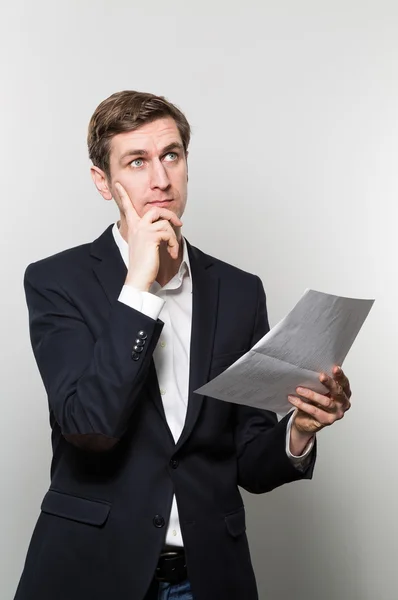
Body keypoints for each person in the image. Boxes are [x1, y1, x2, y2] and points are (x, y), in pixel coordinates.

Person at [14, 91, 352, 600]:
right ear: (103, 182)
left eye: (171, 155)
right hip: (90, 572)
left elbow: (249, 464)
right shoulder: (56, 281)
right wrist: (139, 288)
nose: (160, 179)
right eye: (137, 161)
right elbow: (89, 426)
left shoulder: (239, 290)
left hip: (207, 577)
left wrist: (298, 429)